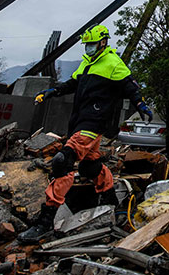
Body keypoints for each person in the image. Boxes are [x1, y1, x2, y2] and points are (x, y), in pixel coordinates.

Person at [18, 24, 153, 243]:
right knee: (90, 166)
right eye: (86, 45)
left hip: (94, 122)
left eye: (91, 44)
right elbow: (74, 83)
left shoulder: (113, 63)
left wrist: (141, 105)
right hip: (81, 120)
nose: (88, 48)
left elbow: (130, 87)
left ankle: (45, 222)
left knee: (63, 161)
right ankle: (110, 201)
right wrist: (53, 91)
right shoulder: (87, 64)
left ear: (102, 43)